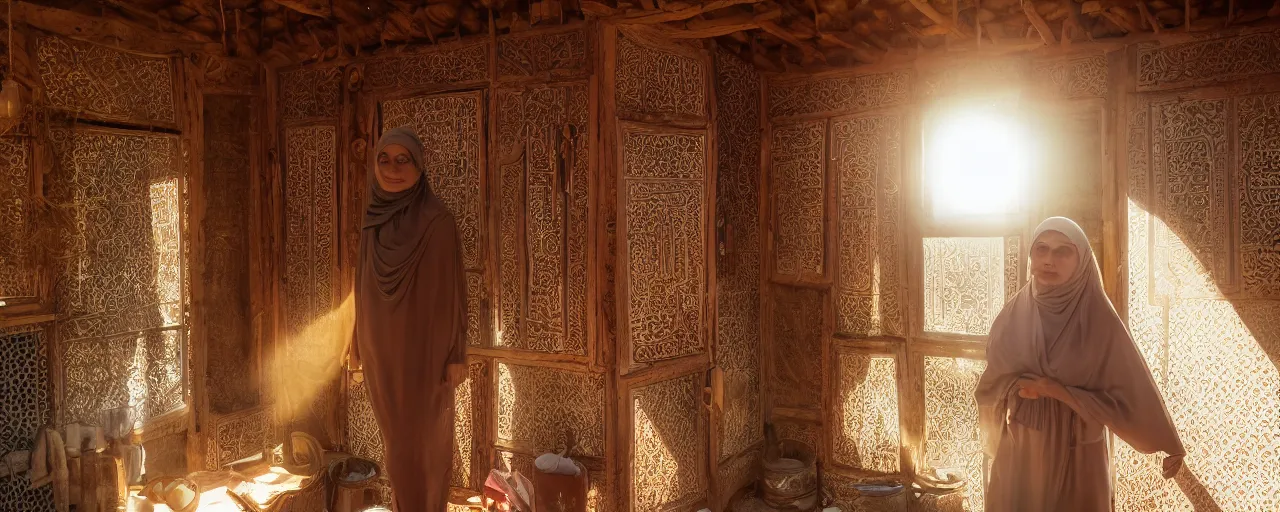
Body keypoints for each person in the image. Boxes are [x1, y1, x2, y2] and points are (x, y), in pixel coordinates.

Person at [975, 217, 1185, 511]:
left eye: (1063, 251)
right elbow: (992, 382)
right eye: (1042, 249)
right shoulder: (1014, 313)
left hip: (1078, 449)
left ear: (1082, 260)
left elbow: (1132, 392)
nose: (1049, 260)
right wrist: (1017, 386)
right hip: (1022, 444)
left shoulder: (1099, 320)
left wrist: (1054, 390)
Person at [355, 126, 468, 511]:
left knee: (427, 442)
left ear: (419, 167)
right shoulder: (373, 218)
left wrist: (457, 354)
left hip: (425, 352)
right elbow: (361, 281)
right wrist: (355, 343)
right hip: (380, 346)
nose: (393, 168)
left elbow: (454, 293)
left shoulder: (438, 222)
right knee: (397, 444)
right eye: (384, 159)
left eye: (403, 160)